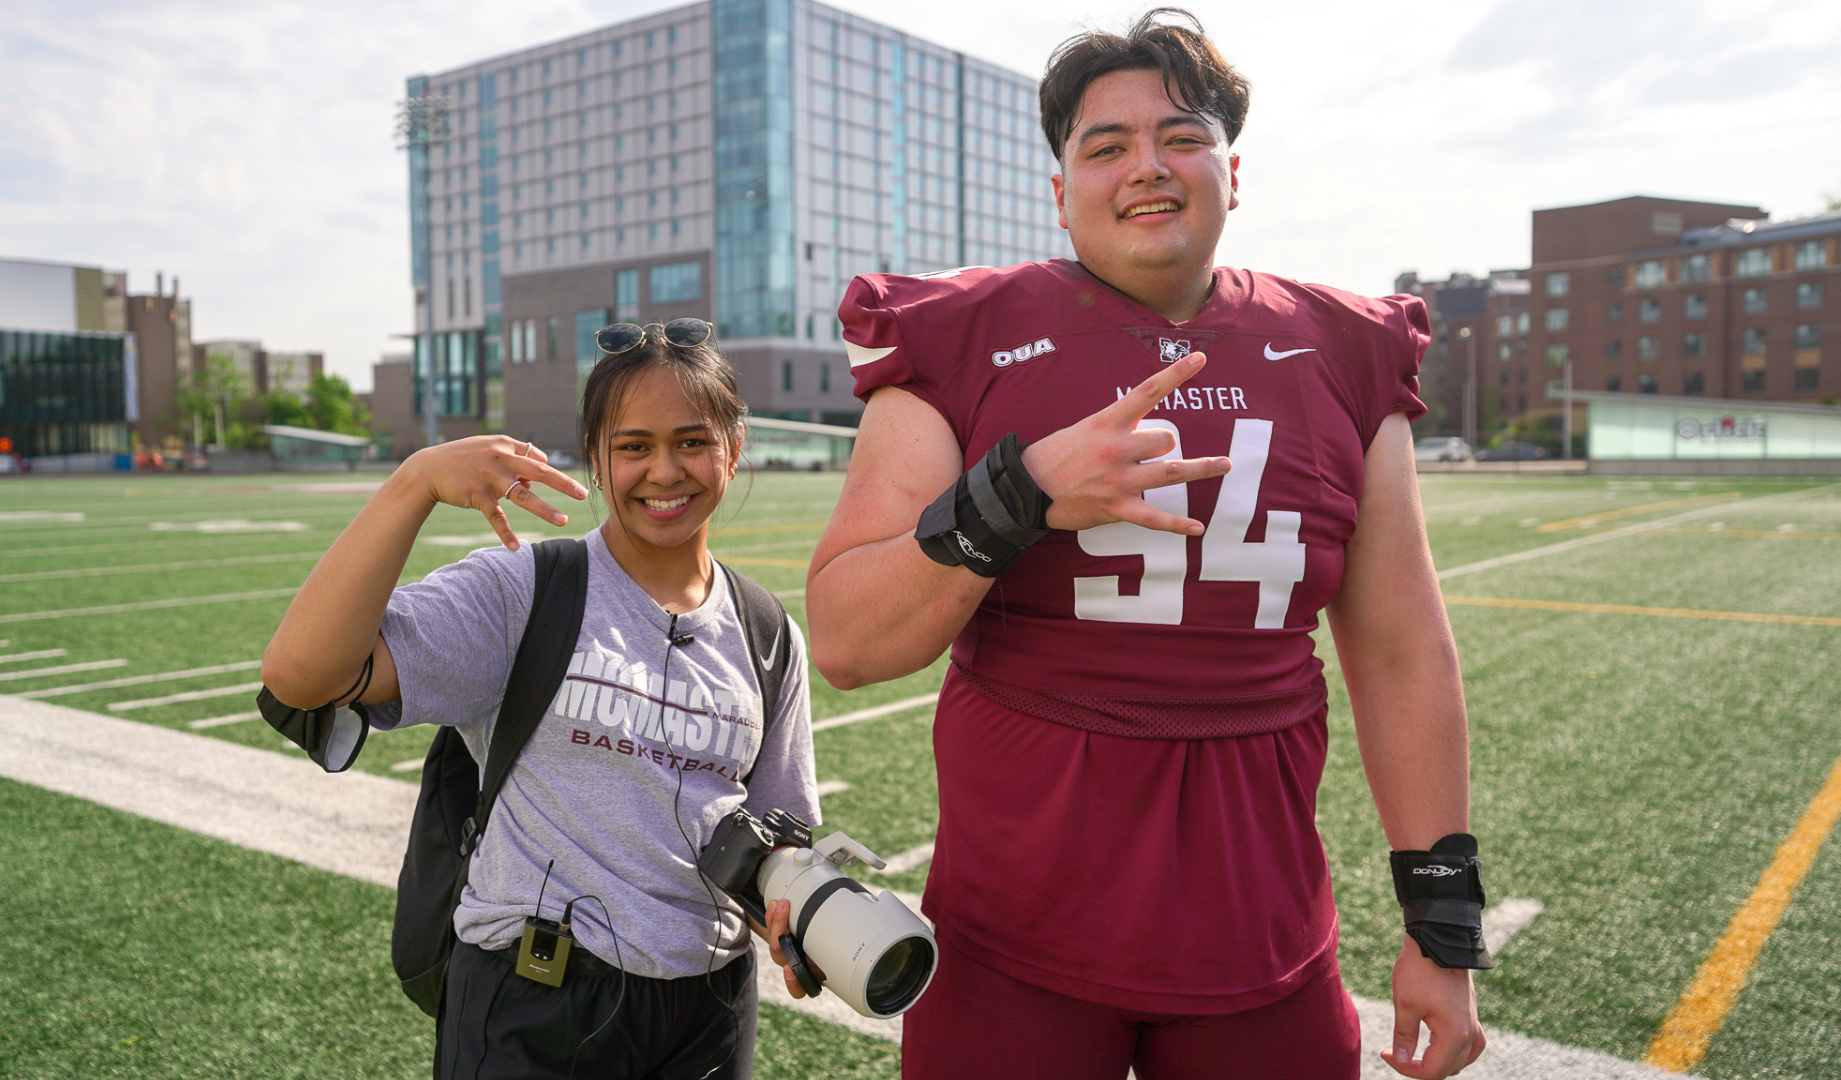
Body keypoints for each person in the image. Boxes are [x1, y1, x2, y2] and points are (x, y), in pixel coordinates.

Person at [806, 10, 1487, 1080]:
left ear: (1232, 170)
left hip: (1261, 938)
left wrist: (1441, 926)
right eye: (1105, 145)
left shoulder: (1342, 350)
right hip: (1010, 947)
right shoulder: (965, 334)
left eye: (1181, 136)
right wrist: (1017, 493)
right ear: (1059, 188)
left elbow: (1402, 651)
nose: (1147, 167)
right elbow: (846, 638)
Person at [261, 320, 821, 1080]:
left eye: (693, 441)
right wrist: (414, 483)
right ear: (594, 456)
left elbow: (775, 832)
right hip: (536, 1004)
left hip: (708, 1018)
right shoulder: (525, 588)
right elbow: (301, 675)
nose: (665, 471)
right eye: (634, 447)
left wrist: (798, 907)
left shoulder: (766, 632)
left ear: (734, 446)